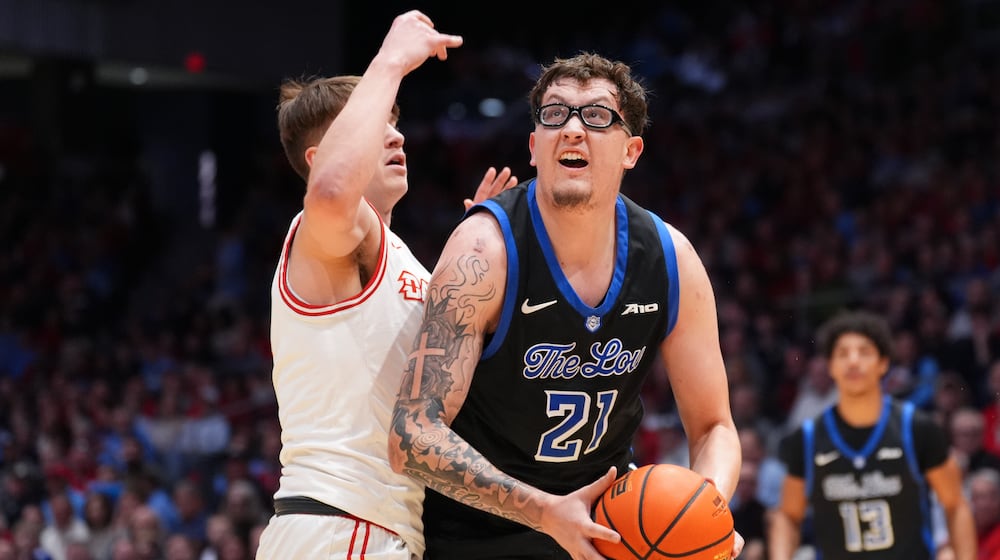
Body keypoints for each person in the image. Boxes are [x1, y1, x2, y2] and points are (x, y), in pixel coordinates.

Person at [389, 52, 743, 560]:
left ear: (631, 150)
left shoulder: (672, 260)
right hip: (478, 535)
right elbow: (411, 433)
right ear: (535, 146)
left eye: (598, 116)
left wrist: (707, 508)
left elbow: (714, 427)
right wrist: (546, 512)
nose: (573, 129)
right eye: (554, 114)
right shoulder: (482, 253)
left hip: (608, 531)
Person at [254, 10, 517, 560]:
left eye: (394, 120)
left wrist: (471, 276)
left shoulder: (403, 264)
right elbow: (329, 194)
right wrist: (391, 60)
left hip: (369, 531)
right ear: (319, 158)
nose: (394, 133)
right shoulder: (319, 236)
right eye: (375, 123)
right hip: (341, 526)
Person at [767, 310, 976, 560]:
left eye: (864, 352)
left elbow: (955, 505)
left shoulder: (917, 427)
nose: (853, 361)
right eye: (842, 354)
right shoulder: (808, 438)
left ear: (883, 363)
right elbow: (788, 516)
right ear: (830, 366)